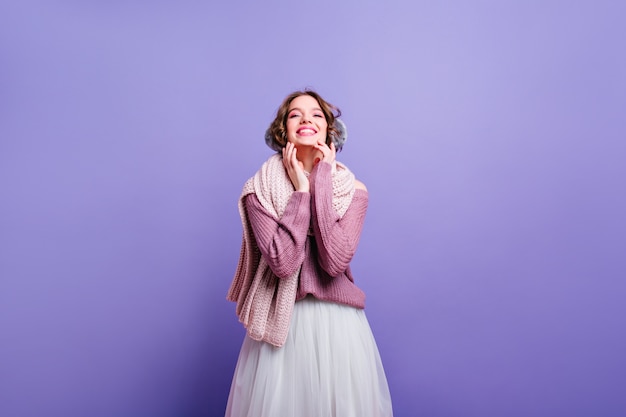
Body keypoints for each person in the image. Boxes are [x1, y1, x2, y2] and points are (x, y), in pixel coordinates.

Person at [225, 90, 393, 417]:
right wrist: (301, 192)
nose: (306, 119)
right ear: (281, 131)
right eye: (294, 114)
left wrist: (321, 182)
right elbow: (284, 263)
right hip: (281, 327)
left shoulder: (354, 190)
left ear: (329, 129)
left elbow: (333, 262)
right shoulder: (257, 191)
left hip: (339, 327)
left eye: (316, 114)